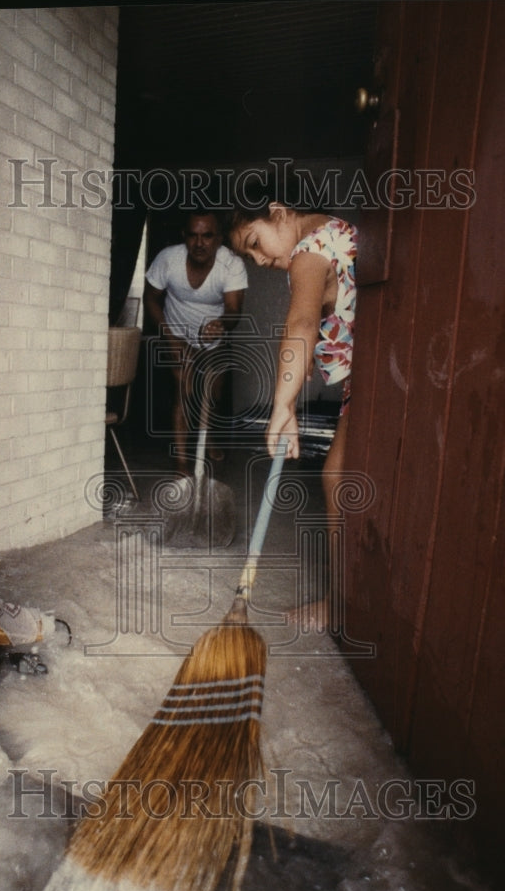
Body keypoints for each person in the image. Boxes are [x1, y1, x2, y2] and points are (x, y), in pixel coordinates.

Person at [229, 197, 357, 633]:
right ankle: (343, 598)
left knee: (338, 477)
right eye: (250, 256)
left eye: (256, 243)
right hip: (373, 375)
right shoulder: (334, 231)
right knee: (338, 477)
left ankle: (341, 603)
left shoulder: (310, 248)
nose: (260, 260)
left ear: (278, 212)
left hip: (380, 378)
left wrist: (282, 407)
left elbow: (301, 324)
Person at [144, 211, 248, 474]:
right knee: (184, 390)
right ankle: (181, 461)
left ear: (219, 239)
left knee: (212, 395)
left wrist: (222, 324)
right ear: (184, 236)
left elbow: (234, 311)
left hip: (214, 336)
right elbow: (151, 299)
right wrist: (170, 337)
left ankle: (208, 435)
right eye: (193, 235)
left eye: (207, 236)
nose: (199, 243)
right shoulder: (168, 259)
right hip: (175, 332)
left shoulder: (231, 264)